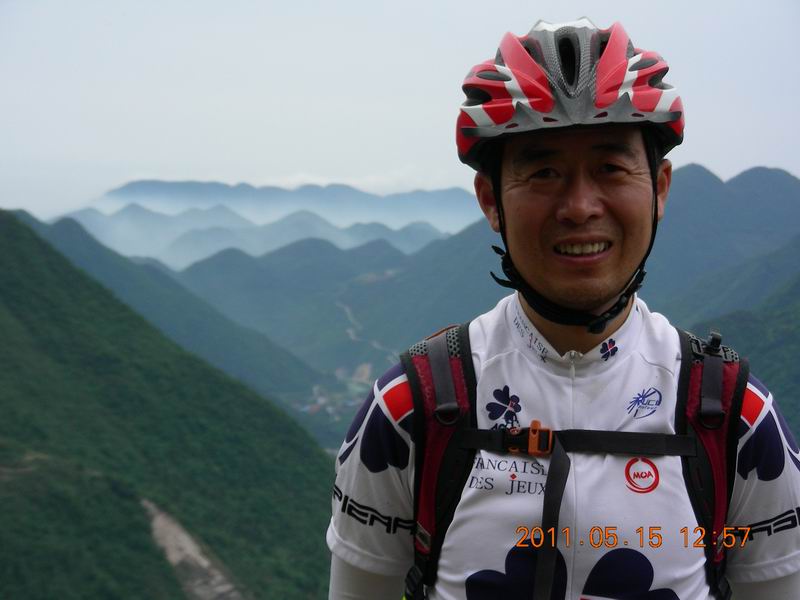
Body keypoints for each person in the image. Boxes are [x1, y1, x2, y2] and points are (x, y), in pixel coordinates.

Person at [326, 17, 800, 599]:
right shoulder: (409, 411)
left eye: (610, 167)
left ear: (660, 188)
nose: (579, 207)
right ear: (490, 201)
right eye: (544, 171)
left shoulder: (736, 421)